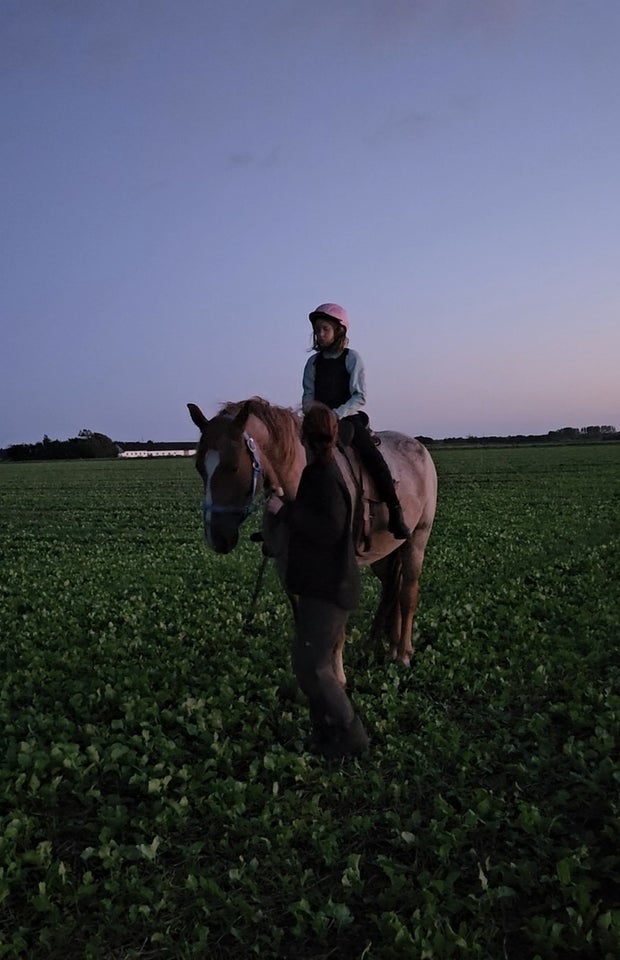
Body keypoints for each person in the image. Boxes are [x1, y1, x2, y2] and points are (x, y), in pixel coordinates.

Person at [267, 402, 369, 759]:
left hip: (329, 587)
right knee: (304, 663)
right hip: (319, 584)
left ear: (301, 436)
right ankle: (324, 731)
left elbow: (329, 528)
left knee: (317, 667)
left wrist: (286, 511)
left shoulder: (323, 475)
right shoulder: (318, 471)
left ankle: (352, 737)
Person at [302, 302, 410, 540]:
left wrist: (335, 414)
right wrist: (312, 415)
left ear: (339, 331)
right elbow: (308, 397)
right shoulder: (312, 363)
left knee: (370, 455)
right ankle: (283, 518)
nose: (319, 334)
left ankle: (395, 510)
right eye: (317, 330)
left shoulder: (352, 358)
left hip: (347, 419)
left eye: (324, 329)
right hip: (318, 422)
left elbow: (359, 395)